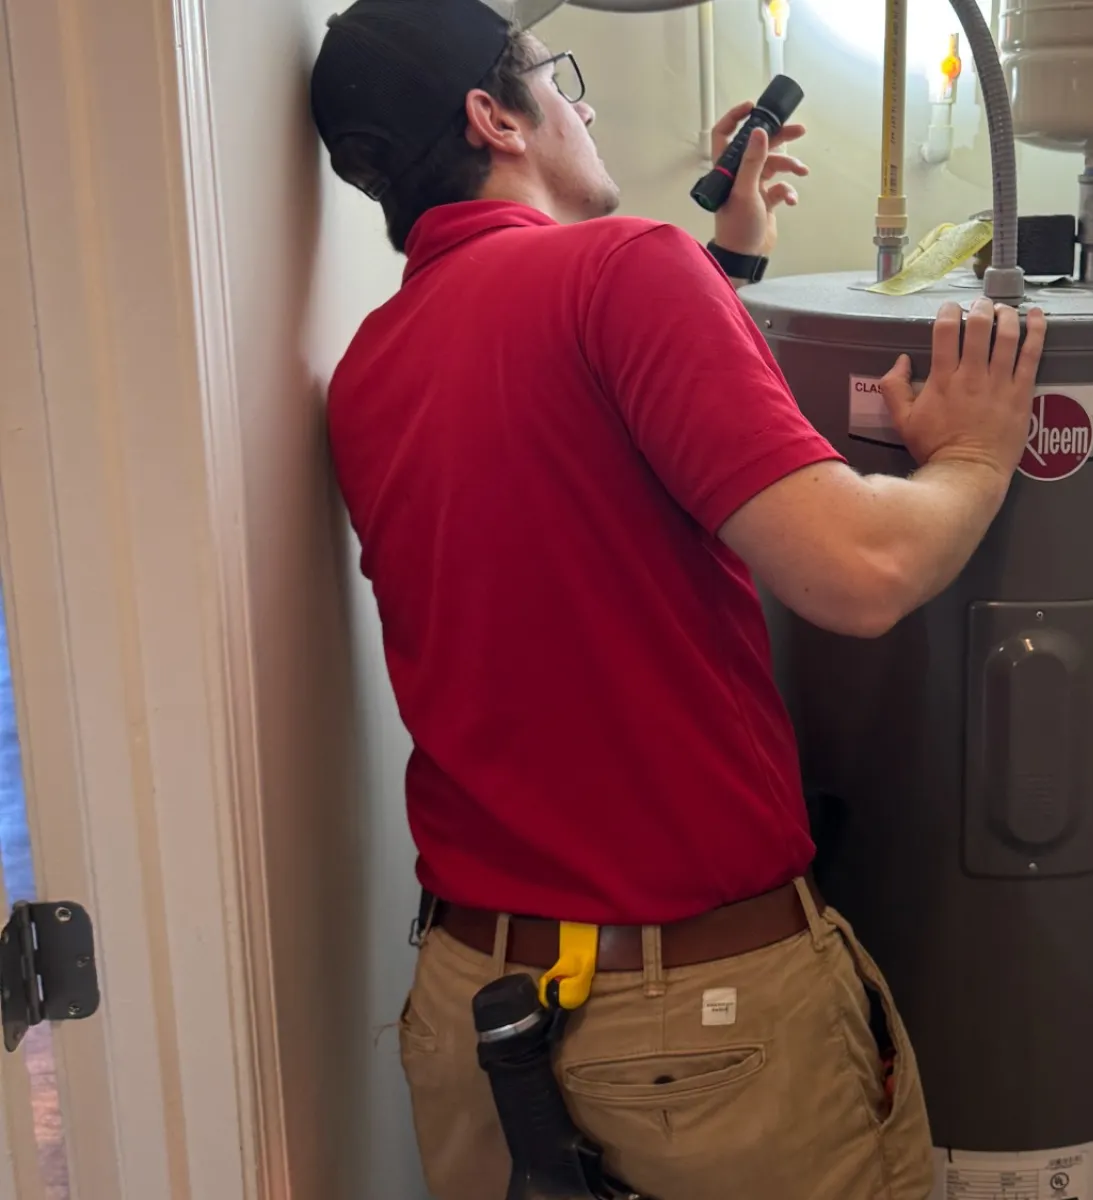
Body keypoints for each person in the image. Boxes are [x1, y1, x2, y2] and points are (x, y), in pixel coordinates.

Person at [310, 1, 1044, 1197]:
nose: (584, 107)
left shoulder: (371, 365)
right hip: (696, 1031)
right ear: (493, 117)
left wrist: (731, 259)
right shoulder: (623, 269)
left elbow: (570, 435)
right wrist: (972, 456)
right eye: (561, 79)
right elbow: (859, 574)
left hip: (473, 1016)